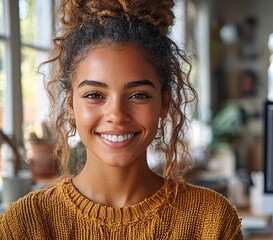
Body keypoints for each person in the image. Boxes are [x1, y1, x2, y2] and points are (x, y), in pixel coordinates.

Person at [0, 0, 243, 239]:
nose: (117, 115)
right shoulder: (25, 224)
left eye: (139, 95)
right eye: (94, 95)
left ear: (164, 102)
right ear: (70, 103)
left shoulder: (212, 221)